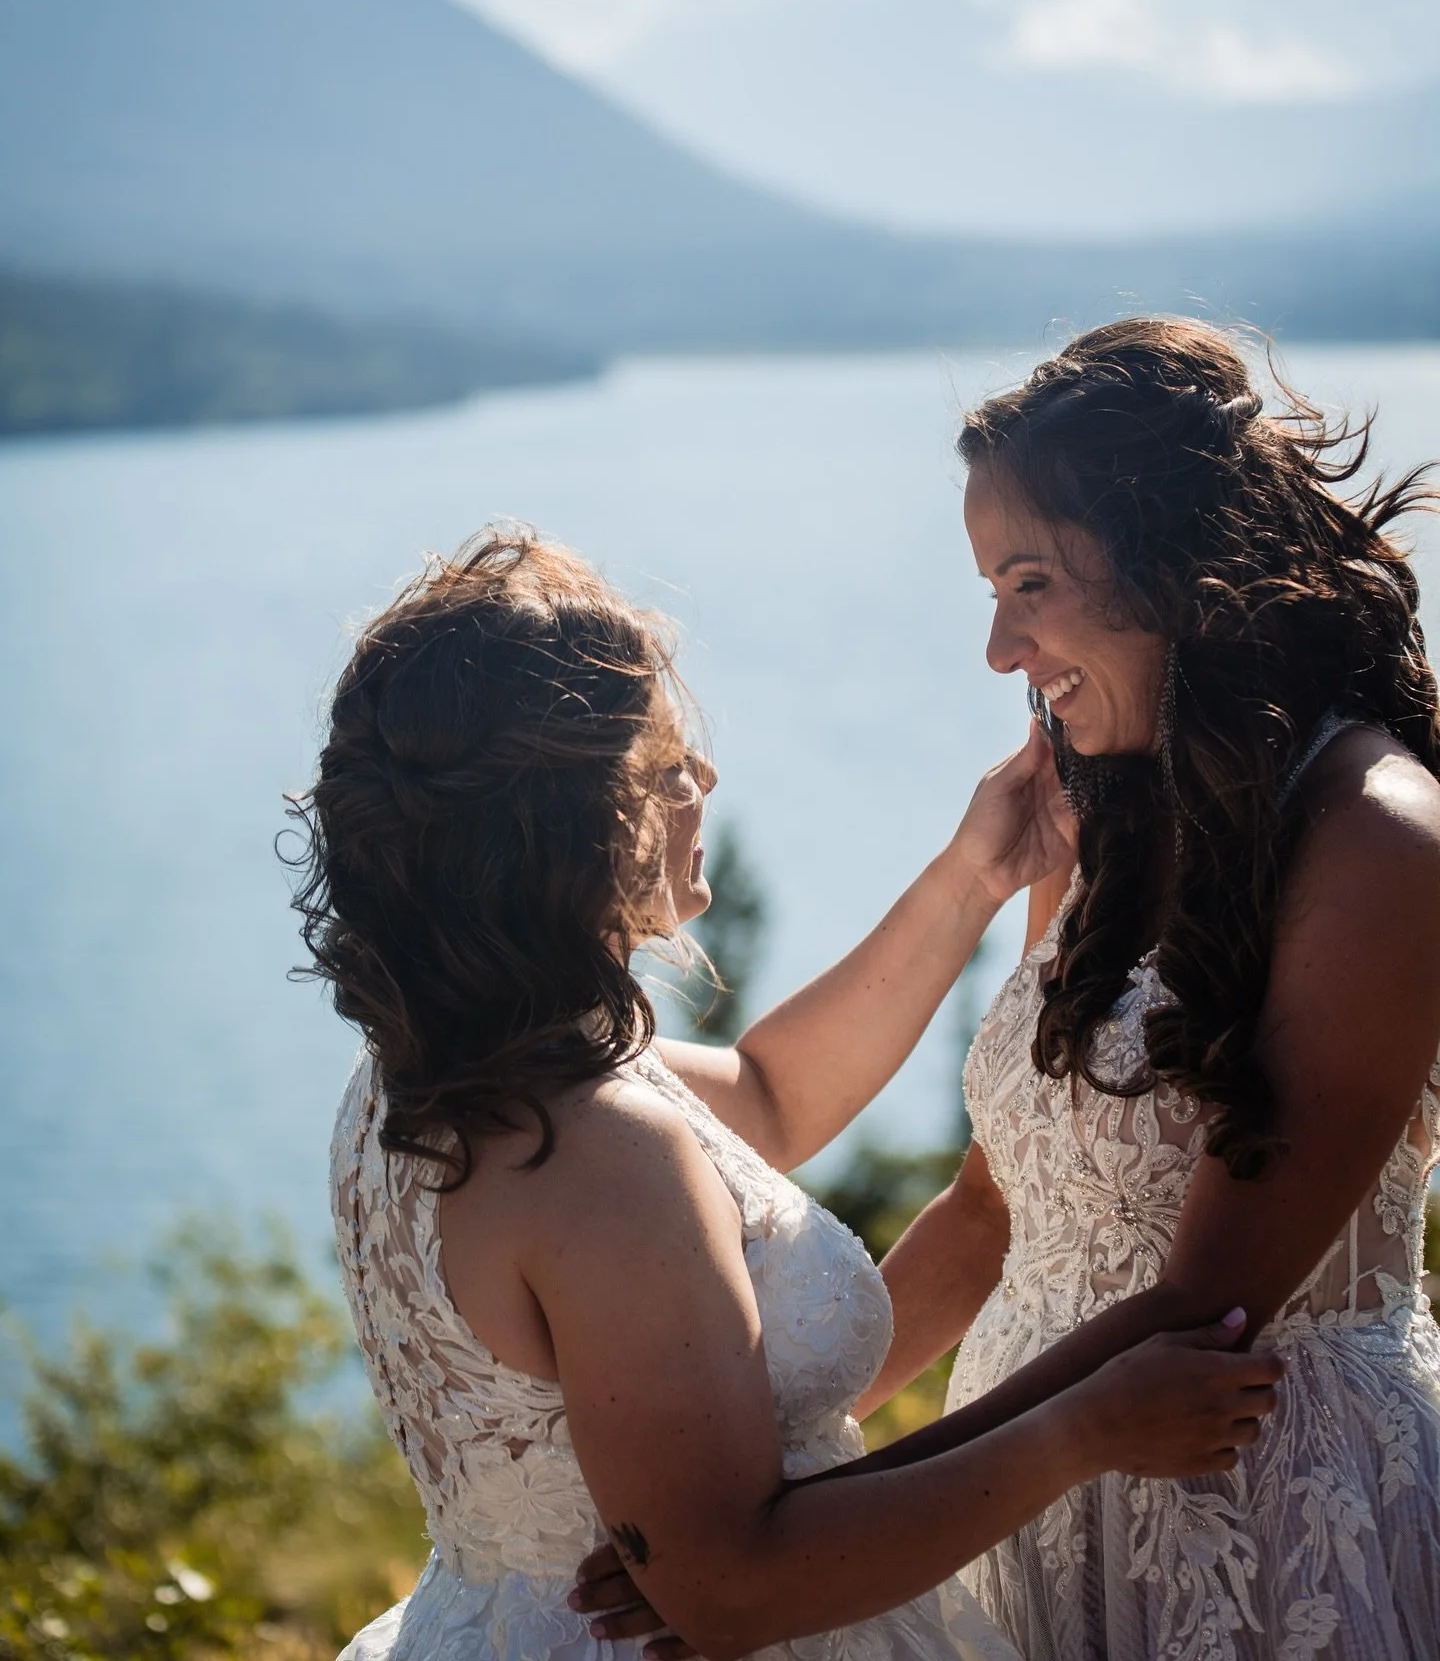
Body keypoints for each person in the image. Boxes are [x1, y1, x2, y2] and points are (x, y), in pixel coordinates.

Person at [291, 526, 1279, 1661]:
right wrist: (1081, 1433)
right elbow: (732, 1590)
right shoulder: (599, 1153)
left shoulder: (423, 1084)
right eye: (665, 757)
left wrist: (976, 875)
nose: (701, 779)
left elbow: (767, 1096)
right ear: (574, 822)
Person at [860, 319, 1440, 1658]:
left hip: (1273, 1533)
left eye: (1029, 585)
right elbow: (987, 1213)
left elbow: (1208, 1305)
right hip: (1027, 1514)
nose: (1002, 651)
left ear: (1174, 566)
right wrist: (773, 1435)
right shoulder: (1105, 822)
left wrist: (842, 1516)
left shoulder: (1378, 838)